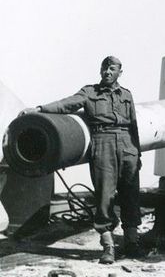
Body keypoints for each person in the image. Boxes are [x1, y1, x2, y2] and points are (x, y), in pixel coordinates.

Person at [19, 56, 142, 264]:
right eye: (104, 68)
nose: (107, 72)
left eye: (112, 69)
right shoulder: (89, 92)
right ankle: (108, 247)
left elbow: (134, 127)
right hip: (103, 143)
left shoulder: (127, 95)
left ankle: (132, 243)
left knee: (131, 194)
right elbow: (66, 104)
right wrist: (39, 109)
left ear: (120, 72)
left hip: (128, 146)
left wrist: (137, 153)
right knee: (104, 196)